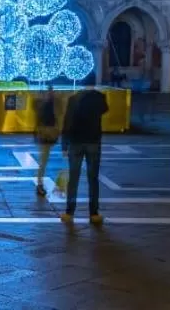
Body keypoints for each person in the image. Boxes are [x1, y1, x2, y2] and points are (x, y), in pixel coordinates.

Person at [59, 71, 108, 226]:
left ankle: (69, 212)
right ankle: (93, 213)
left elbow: (67, 122)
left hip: (75, 142)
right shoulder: (100, 98)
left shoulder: (74, 98)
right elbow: (104, 110)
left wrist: (64, 144)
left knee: (73, 178)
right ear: (94, 82)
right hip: (93, 141)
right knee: (93, 179)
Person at [34, 84, 59, 197]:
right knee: (43, 161)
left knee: (44, 161)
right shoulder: (43, 105)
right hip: (45, 134)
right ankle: (39, 184)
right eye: (49, 91)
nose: (51, 93)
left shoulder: (51, 104)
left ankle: (40, 183)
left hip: (48, 133)